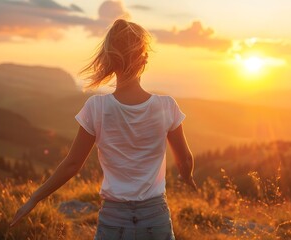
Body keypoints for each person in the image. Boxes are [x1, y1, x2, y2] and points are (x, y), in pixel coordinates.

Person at [10, 19, 197, 240]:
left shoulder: (96, 107)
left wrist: (34, 198)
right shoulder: (167, 106)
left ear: (110, 61)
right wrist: (187, 177)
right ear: (144, 60)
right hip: (154, 216)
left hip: (114, 218)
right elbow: (184, 159)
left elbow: (72, 164)